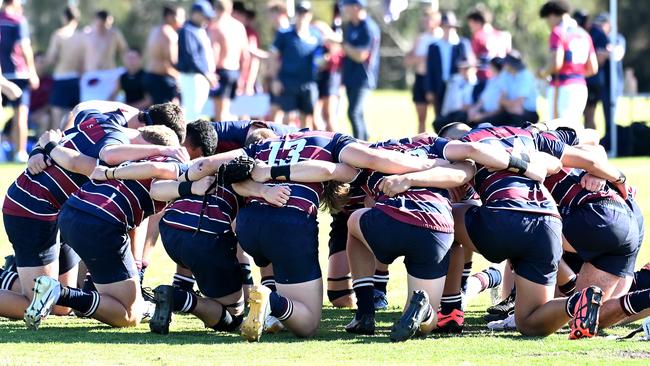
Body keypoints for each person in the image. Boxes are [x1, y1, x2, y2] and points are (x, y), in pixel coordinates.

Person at [437, 122, 626, 338]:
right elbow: (561, 162)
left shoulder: (460, 145)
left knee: (443, 218)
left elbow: (456, 171)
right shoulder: (527, 133)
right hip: (550, 222)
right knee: (529, 323)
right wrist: (617, 178)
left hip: (505, 214)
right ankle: (575, 303)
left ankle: (450, 311)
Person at [23, 126, 185, 329]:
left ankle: (76, 293)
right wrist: (111, 173)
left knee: (111, 297)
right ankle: (60, 293)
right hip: (100, 222)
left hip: (71, 212)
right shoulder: (173, 161)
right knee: (128, 315)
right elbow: (157, 171)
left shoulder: (131, 156)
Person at [538, 1, 597, 124]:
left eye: (547, 19)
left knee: (557, 132)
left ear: (552, 15)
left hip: (562, 88)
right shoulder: (584, 34)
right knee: (573, 130)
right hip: (580, 87)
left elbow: (556, 63)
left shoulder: (558, 32)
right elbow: (593, 68)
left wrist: (542, 73)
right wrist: (575, 74)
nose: (548, 24)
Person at [270, 1, 323, 129]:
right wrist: (275, 80)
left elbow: (320, 57)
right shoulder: (285, 34)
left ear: (310, 15)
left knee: (307, 119)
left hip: (309, 83)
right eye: (300, 13)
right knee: (288, 119)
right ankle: (287, 146)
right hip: (288, 82)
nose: (302, 16)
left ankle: (305, 146)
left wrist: (323, 62)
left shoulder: (316, 34)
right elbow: (273, 57)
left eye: (305, 13)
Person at [0, 0, 39, 162]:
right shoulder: (18, 20)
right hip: (19, 74)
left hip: (2, 73)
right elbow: (25, 47)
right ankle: (20, 152)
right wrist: (33, 72)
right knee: (21, 114)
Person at [341, 0, 380, 141]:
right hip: (351, 77)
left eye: (346, 6)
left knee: (353, 113)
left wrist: (342, 45)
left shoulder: (368, 27)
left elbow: (360, 55)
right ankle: (365, 141)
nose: (344, 9)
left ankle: (359, 144)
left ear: (356, 7)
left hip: (363, 78)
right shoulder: (351, 25)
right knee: (357, 113)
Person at [425, 11, 473, 118]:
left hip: (456, 87)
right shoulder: (433, 47)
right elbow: (430, 69)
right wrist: (429, 89)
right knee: (439, 116)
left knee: (455, 116)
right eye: (447, 27)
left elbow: (467, 65)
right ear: (442, 27)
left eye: (452, 27)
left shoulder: (461, 45)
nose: (449, 30)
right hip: (439, 85)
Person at [208, 0, 250, 121]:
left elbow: (214, 53)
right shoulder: (239, 27)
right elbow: (245, 56)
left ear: (216, 8)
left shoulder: (216, 27)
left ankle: (222, 140)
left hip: (221, 71)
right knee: (228, 110)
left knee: (220, 114)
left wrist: (210, 74)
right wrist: (242, 77)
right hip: (235, 72)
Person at [44, 5, 84, 131]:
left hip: (61, 78)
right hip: (77, 79)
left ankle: (54, 146)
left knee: (57, 117)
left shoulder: (59, 34)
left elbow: (51, 58)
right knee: (74, 117)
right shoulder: (81, 36)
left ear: (64, 17)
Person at [177, 1, 217, 121]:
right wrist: (206, 73)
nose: (207, 19)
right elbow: (191, 57)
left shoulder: (200, 30)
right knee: (192, 112)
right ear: (195, 14)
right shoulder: (187, 30)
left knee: (199, 112)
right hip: (192, 77)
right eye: (204, 16)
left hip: (201, 77)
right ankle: (189, 139)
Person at [404, 8, 441, 133]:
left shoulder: (442, 37)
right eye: (424, 19)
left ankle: (441, 144)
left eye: (429, 19)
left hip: (436, 81)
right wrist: (420, 58)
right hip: (421, 78)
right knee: (421, 118)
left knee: (439, 117)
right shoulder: (420, 38)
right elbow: (408, 60)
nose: (426, 22)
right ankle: (420, 143)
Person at [593, 13, 625, 150]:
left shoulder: (617, 38)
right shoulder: (597, 38)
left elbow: (617, 55)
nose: (600, 27)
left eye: (602, 24)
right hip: (598, 84)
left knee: (609, 117)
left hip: (613, 84)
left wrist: (605, 53)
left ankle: (611, 145)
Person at [80, 10, 129, 102]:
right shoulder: (87, 34)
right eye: (101, 25)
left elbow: (125, 50)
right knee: (90, 106)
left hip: (109, 74)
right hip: (91, 75)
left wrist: (127, 66)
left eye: (107, 25)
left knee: (111, 105)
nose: (104, 28)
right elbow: (79, 53)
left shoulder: (114, 34)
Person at [143, 5, 185, 105]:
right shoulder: (170, 34)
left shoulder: (155, 30)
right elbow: (172, 61)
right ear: (170, 17)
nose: (183, 20)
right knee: (167, 116)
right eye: (181, 16)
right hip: (163, 80)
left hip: (149, 76)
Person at [313, 3, 345, 132]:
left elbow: (338, 45)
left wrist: (327, 57)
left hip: (331, 74)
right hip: (319, 75)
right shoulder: (317, 25)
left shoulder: (334, 27)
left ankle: (336, 144)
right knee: (315, 114)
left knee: (329, 114)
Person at [466, 4, 511, 95]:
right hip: (502, 81)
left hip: (484, 80)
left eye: (471, 26)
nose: (471, 29)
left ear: (477, 22)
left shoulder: (478, 37)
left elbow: (473, 62)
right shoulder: (501, 35)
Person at [491, 51, 539, 126]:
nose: (504, 65)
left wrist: (506, 103)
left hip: (527, 115)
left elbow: (518, 108)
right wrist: (509, 105)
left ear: (511, 65)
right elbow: (501, 101)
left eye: (506, 63)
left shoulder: (525, 77)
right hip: (513, 112)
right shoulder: (508, 75)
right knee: (490, 122)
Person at [433, 60, 478, 131]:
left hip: (469, 114)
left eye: (467, 68)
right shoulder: (454, 82)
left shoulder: (478, 84)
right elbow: (449, 101)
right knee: (438, 123)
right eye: (462, 69)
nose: (465, 71)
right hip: (454, 113)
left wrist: (469, 107)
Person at [467, 57, 505, 125]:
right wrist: (474, 109)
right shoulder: (491, 81)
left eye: (490, 66)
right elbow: (482, 99)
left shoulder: (504, 82)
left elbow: (500, 109)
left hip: (495, 117)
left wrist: (482, 116)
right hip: (485, 113)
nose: (489, 69)